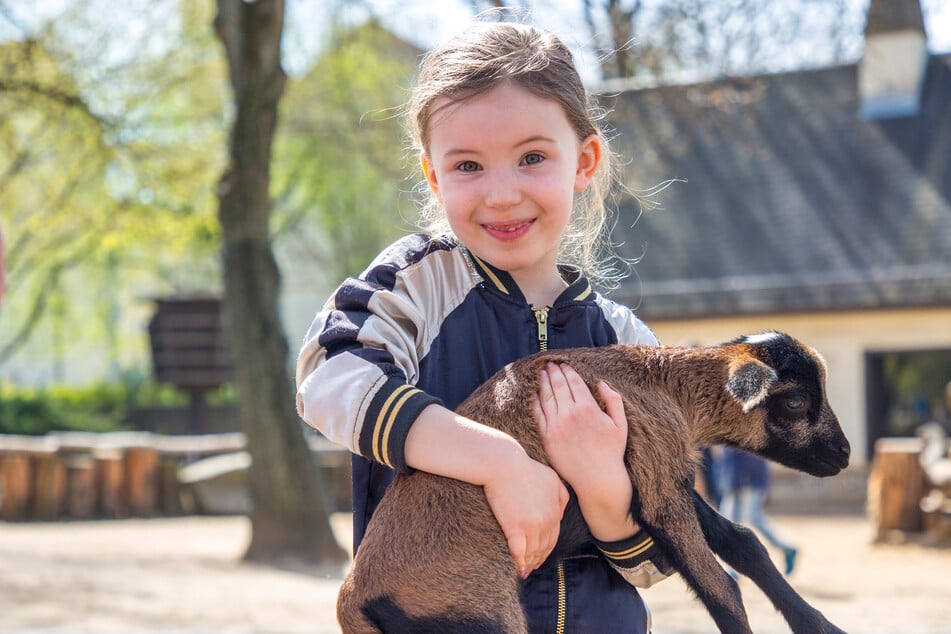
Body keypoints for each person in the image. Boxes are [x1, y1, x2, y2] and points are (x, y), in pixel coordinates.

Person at [296, 20, 671, 632]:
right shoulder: (417, 284)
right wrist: (499, 462)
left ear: (585, 160)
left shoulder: (627, 342)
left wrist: (602, 487)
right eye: (468, 165)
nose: (501, 194)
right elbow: (327, 375)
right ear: (434, 176)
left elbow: (657, 563)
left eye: (532, 158)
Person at [719, 447, 798, 577]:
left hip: (746, 479)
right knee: (732, 522)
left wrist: (743, 479)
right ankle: (732, 569)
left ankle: (731, 570)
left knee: (735, 522)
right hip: (737, 478)